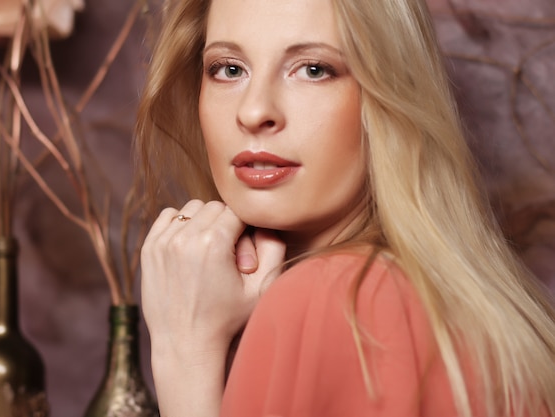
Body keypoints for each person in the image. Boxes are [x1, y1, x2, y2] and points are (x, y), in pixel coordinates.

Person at [135, 0, 555, 416]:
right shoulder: (436, 297)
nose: (254, 111)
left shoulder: (330, 298)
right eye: (229, 69)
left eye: (314, 69)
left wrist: (183, 352)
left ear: (390, 95)